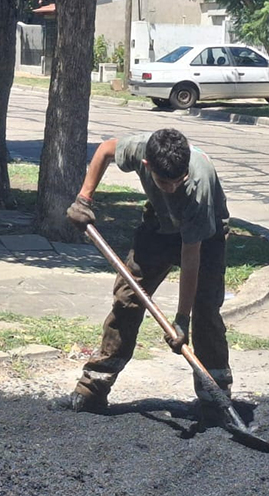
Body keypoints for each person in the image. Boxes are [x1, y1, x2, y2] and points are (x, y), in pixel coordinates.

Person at [59, 128, 232, 420]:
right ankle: (93, 388)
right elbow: (104, 151)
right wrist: (84, 200)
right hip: (159, 224)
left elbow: (191, 258)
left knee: (205, 311)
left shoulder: (197, 187)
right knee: (127, 298)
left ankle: (215, 400)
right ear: (148, 166)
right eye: (165, 182)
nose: (173, 188)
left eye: (179, 181)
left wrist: (181, 320)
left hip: (206, 235)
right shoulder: (139, 150)